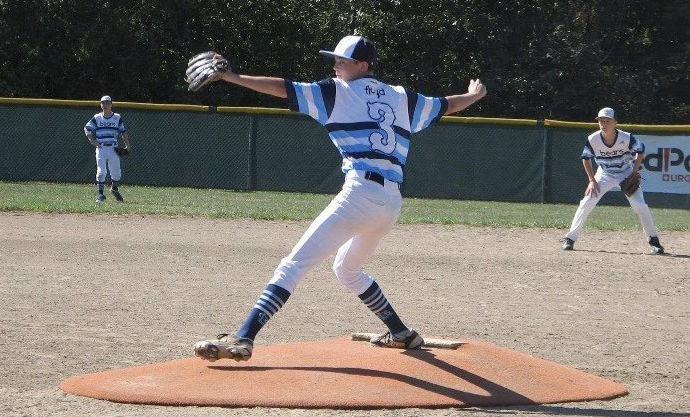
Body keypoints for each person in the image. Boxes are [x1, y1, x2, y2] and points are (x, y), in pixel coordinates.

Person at [194, 35, 487, 362]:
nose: (335, 65)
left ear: (364, 65)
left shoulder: (337, 92)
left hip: (360, 194)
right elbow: (447, 104)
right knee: (347, 269)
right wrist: (474, 95)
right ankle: (402, 333)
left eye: (343, 61)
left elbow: (283, 88)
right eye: (334, 59)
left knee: (293, 265)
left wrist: (231, 77)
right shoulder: (403, 97)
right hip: (390, 202)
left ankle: (244, 337)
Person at [561, 107, 664, 254]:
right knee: (587, 202)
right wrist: (592, 180)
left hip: (625, 173)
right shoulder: (593, 139)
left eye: (607, 121)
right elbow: (586, 158)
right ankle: (570, 239)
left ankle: (654, 242)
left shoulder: (626, 137)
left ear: (615, 122)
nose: (603, 123)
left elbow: (640, 150)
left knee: (640, 206)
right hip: (604, 174)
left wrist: (634, 171)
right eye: (601, 121)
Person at [83, 95, 131, 203]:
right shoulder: (97, 118)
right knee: (101, 172)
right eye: (103, 103)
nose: (105, 105)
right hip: (101, 148)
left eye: (107, 103)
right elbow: (87, 128)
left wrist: (127, 145)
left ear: (111, 105)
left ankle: (114, 189)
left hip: (113, 148)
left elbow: (123, 132)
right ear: (100, 105)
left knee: (116, 173)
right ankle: (100, 194)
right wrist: (92, 140)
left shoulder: (117, 117)